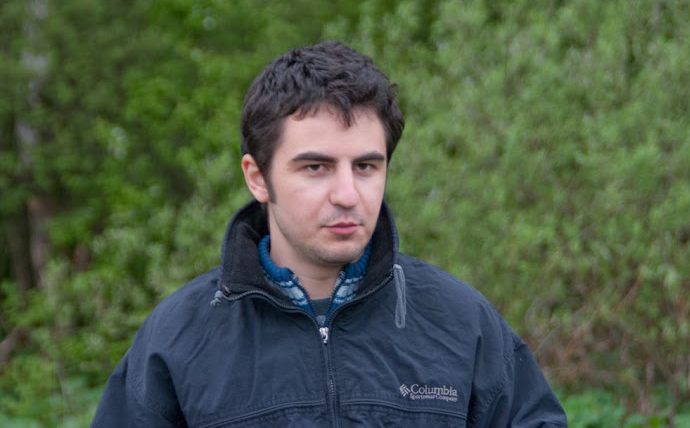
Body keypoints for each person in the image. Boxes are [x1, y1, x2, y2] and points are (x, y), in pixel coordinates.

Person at [92, 41, 567, 427]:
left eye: (365, 166)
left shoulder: (461, 323)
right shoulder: (178, 339)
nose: (347, 194)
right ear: (258, 178)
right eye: (315, 167)